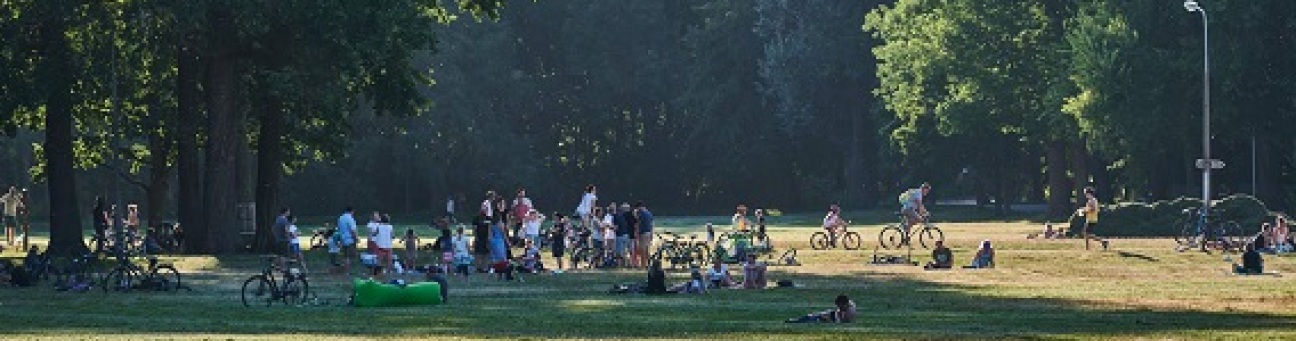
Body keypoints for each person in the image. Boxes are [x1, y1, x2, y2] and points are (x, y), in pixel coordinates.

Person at [786, 295, 858, 323]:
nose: (839, 307)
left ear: (844, 304)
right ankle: (797, 320)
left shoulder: (850, 312)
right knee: (812, 316)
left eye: (840, 306)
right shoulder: (848, 304)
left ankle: (795, 321)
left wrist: (829, 320)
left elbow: (843, 322)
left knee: (813, 318)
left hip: (832, 318)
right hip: (833, 315)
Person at [337, 207, 359, 276]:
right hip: (350, 240)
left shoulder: (340, 218)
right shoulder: (350, 219)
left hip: (343, 239)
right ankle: (347, 271)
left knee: (345, 256)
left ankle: (345, 270)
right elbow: (352, 230)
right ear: (352, 211)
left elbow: (339, 229)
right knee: (349, 257)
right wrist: (356, 238)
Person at [636, 202, 655, 269]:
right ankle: (649, 263)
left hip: (643, 233)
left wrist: (636, 234)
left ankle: (643, 265)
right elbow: (652, 224)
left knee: (642, 249)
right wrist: (651, 234)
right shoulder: (649, 213)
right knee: (647, 249)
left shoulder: (641, 213)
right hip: (649, 233)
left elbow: (638, 224)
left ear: (639, 207)